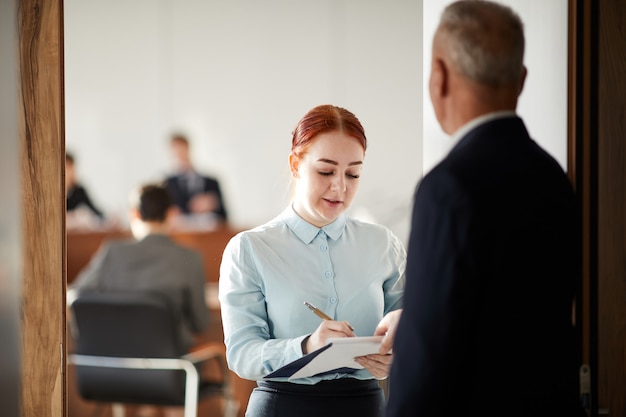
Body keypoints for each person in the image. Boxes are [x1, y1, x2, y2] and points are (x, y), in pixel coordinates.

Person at [385, 2, 584, 417]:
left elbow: (425, 358)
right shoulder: (554, 178)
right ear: (522, 79)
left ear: (438, 77)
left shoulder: (447, 187)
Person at [218, 104, 406, 417]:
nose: (340, 187)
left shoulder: (382, 243)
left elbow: (407, 325)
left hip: (365, 405)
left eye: (353, 173)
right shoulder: (250, 248)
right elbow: (242, 353)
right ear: (295, 164)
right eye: (326, 171)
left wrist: (398, 351)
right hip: (283, 405)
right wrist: (306, 346)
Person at [69, 183, 210, 417]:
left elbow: (77, 296)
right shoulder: (189, 259)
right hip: (171, 373)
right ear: (171, 214)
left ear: (133, 214)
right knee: (174, 360)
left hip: (111, 373)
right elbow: (200, 323)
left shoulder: (111, 253)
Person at [164, 134, 228, 223]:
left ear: (188, 148)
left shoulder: (211, 182)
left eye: (182, 149)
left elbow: (225, 217)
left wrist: (213, 205)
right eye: (176, 151)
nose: (179, 154)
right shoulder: (166, 185)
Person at [65, 152, 105, 227]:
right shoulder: (54, 194)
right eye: (67, 168)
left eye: (71, 168)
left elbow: (97, 213)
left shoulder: (79, 191)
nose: (71, 172)